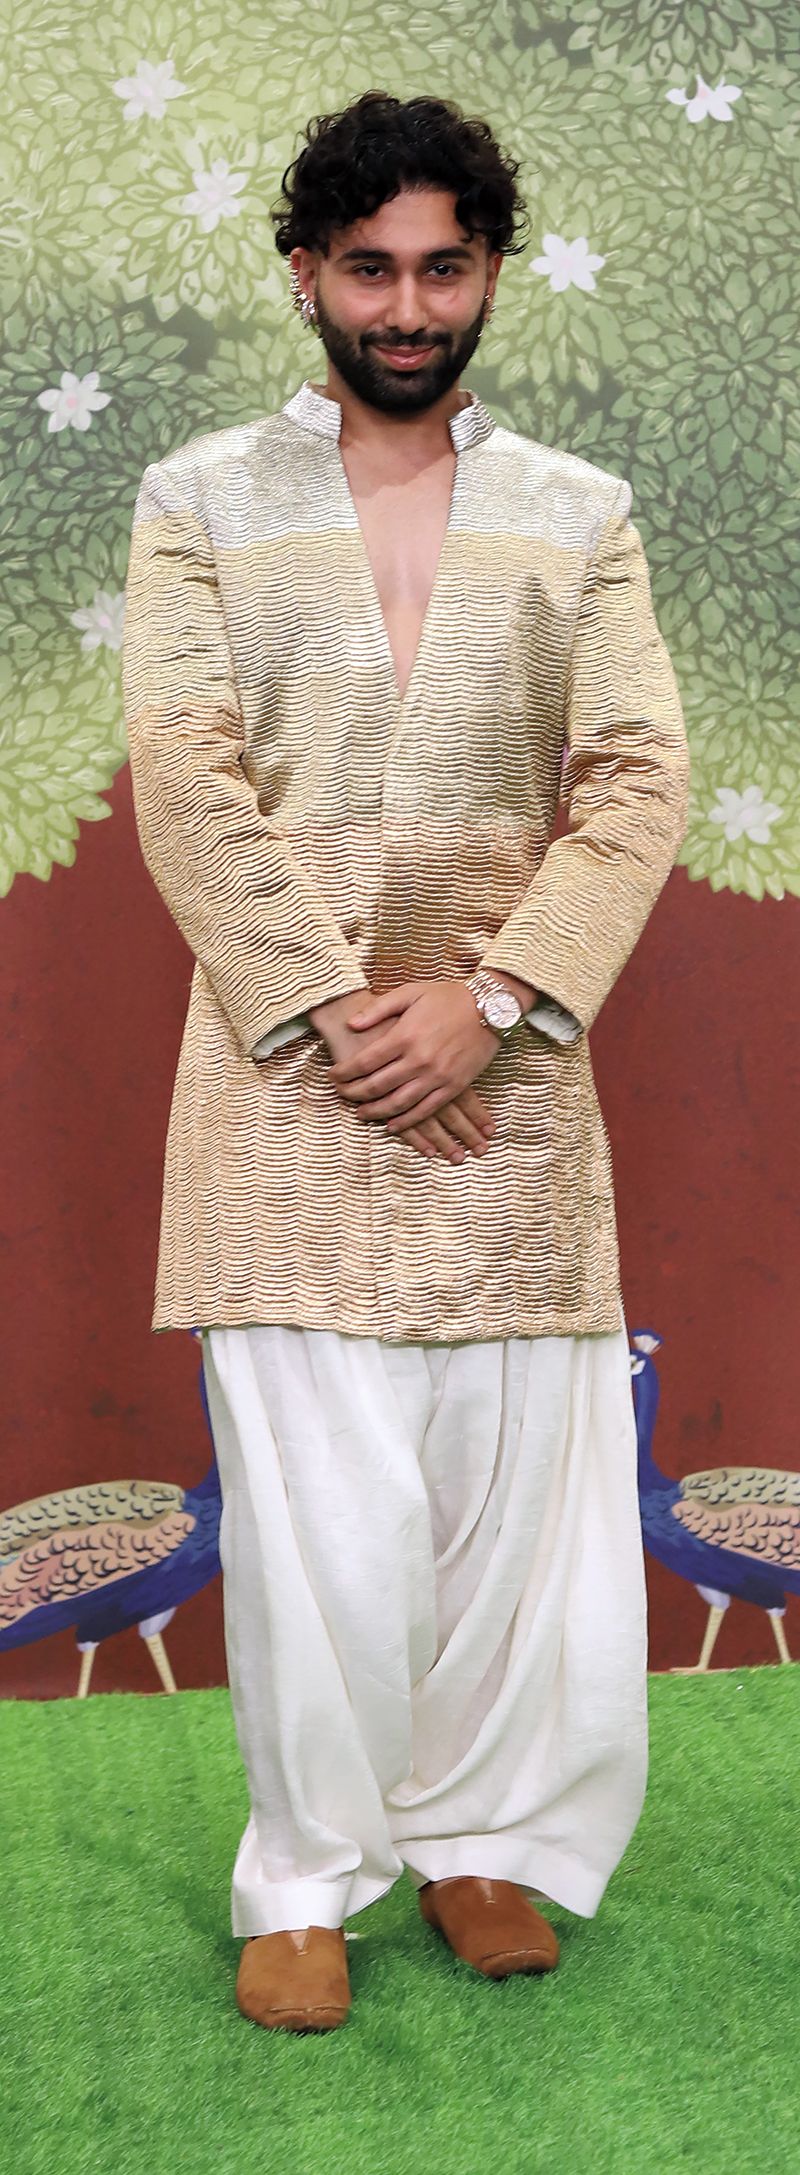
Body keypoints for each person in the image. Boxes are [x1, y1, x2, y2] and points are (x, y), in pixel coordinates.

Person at [122, 90, 690, 2034]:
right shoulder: (201, 496)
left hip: (508, 1082)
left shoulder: (577, 510)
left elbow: (637, 782)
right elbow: (186, 778)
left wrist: (495, 999)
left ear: (490, 274)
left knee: (509, 1509)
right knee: (321, 1532)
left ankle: (477, 1837)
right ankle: (305, 1872)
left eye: (444, 266)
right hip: (284, 1082)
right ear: (306, 273)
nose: (407, 305)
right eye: (369, 267)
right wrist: (337, 1008)